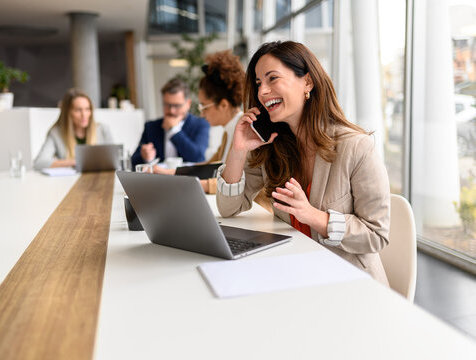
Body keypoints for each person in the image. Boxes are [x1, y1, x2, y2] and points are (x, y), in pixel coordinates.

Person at [216, 41, 390, 285]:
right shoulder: (273, 147)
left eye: (272, 78)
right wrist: (238, 150)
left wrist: (312, 216)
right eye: (258, 84)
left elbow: (376, 234)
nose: (262, 92)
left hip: (349, 284)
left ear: (307, 82)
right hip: (295, 274)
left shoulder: (356, 147)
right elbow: (228, 208)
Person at [154, 50, 245, 194]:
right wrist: (167, 173)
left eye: (204, 106)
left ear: (223, 105)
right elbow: (209, 167)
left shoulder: (243, 132)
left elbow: (235, 184)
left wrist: (180, 183)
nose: (201, 113)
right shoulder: (228, 131)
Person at [131, 78, 210, 167]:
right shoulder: (151, 127)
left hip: (188, 178)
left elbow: (198, 158)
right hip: (158, 179)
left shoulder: (200, 124)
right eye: (167, 105)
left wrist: (174, 130)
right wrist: (145, 156)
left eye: (177, 106)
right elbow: (133, 162)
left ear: (188, 104)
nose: (171, 111)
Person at [34, 88, 113, 170]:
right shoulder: (56, 133)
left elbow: (114, 159)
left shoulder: (103, 129)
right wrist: (76, 162)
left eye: (87, 109)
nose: (84, 115)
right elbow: (39, 163)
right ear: (68, 112)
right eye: (78, 110)